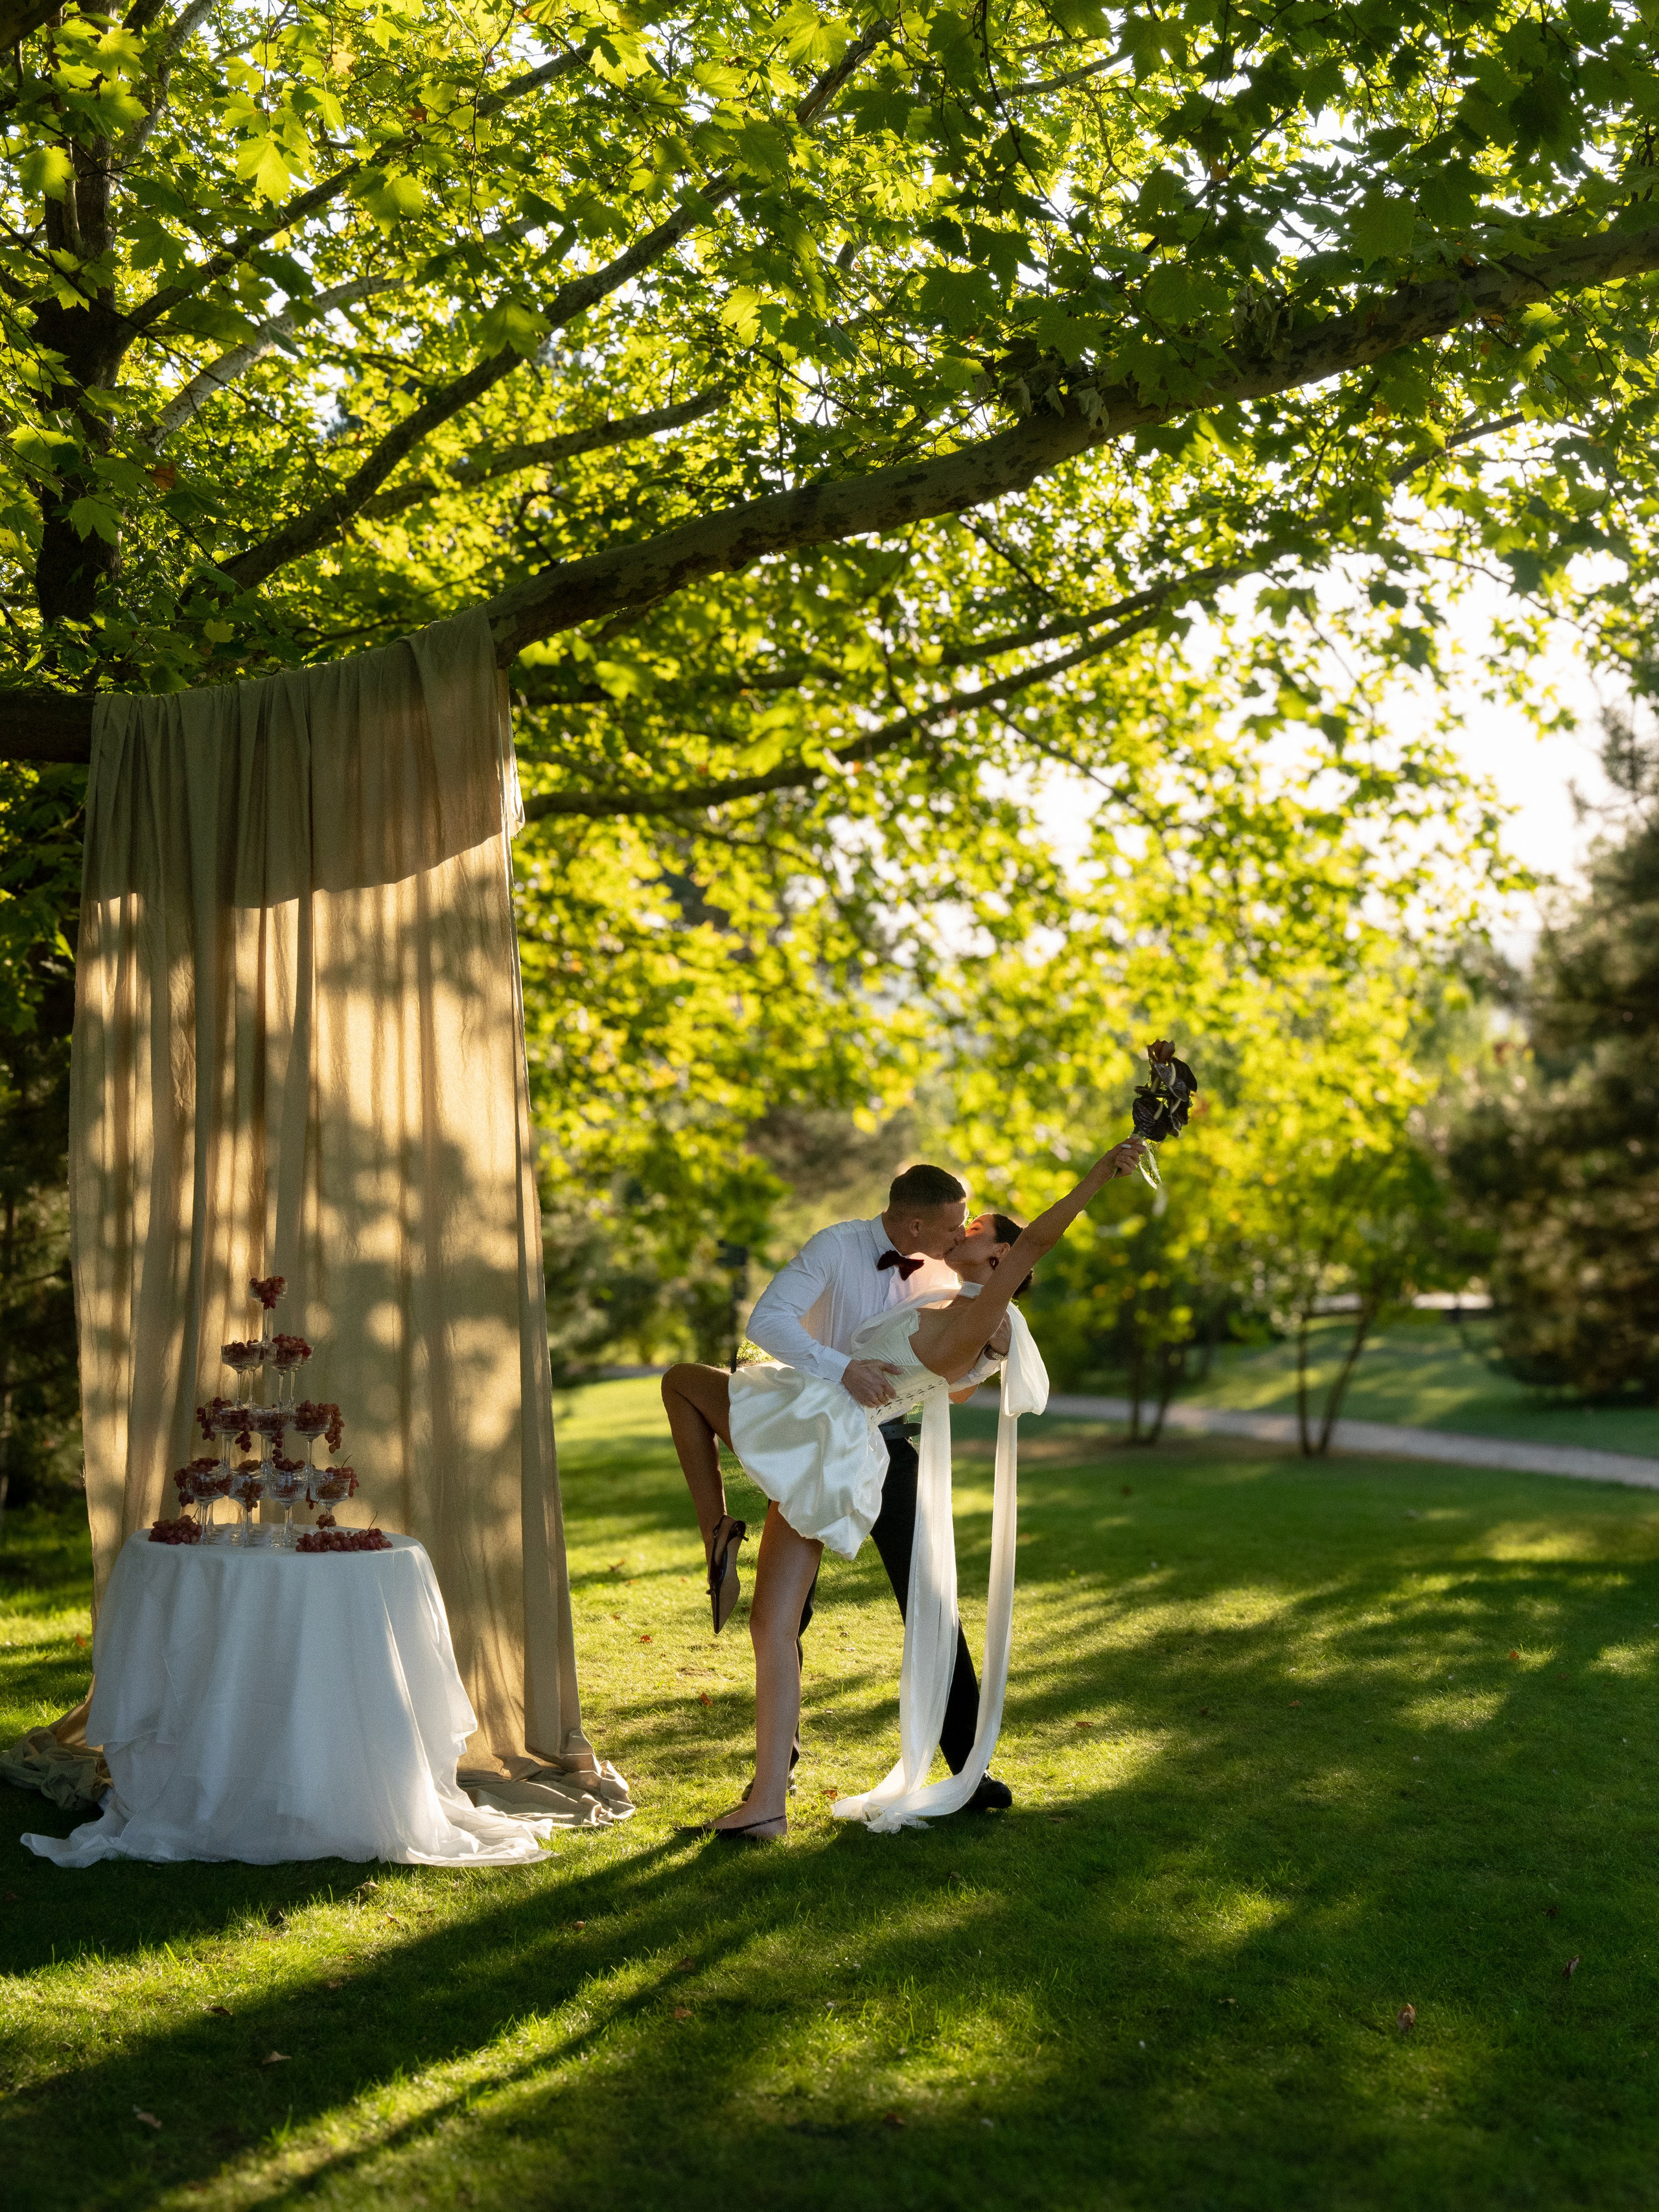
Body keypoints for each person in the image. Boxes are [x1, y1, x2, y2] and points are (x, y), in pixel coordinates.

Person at [660, 1138, 1144, 1839]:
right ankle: (766, 1790)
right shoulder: (951, 1296)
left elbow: (1037, 1237)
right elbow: (953, 1380)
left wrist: (1100, 1172)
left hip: (833, 1441)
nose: (968, 1228)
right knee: (773, 1622)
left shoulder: (986, 1312)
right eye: (961, 1222)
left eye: (980, 1228)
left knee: (796, 1611)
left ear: (1006, 1260)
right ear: (917, 1226)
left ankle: (783, 1795)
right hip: (832, 1428)